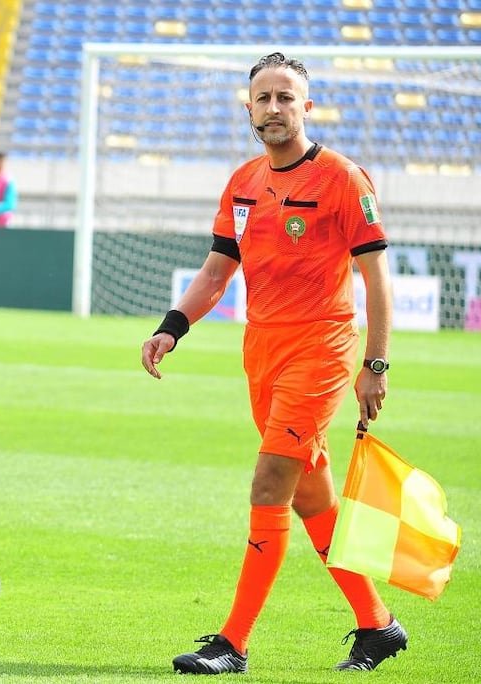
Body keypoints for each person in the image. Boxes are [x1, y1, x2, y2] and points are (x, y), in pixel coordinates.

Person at [140, 53, 406, 674]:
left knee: (269, 483)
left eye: (287, 98)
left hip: (323, 348)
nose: (275, 108)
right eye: (264, 98)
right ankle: (377, 625)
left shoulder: (343, 179)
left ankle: (234, 642)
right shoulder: (241, 183)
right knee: (312, 497)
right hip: (263, 350)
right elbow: (216, 272)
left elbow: (376, 278)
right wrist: (171, 328)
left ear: (306, 107)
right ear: (249, 108)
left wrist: (378, 364)